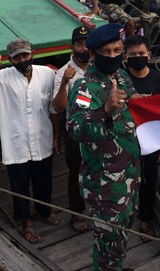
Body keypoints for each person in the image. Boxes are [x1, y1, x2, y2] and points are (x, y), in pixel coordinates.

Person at [0, 38, 60, 244]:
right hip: (16, 144)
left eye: (25, 55)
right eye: (17, 57)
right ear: (10, 60)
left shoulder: (47, 74)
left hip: (42, 139)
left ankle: (43, 211)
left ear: (32, 54)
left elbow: (53, 108)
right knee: (19, 186)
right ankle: (25, 221)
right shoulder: (1, 77)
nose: (22, 60)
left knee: (44, 181)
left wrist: (56, 136)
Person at [66, 24, 141, 271]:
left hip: (129, 173)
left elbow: (133, 105)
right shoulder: (84, 88)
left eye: (117, 50)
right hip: (105, 182)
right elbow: (75, 129)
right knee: (107, 241)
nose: (113, 56)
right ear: (93, 54)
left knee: (121, 234)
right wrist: (105, 110)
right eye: (106, 52)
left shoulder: (122, 76)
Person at [123, 35, 160, 241]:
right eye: (132, 54)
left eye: (141, 53)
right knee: (124, 181)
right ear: (125, 57)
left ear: (149, 54)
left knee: (149, 181)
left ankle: (145, 219)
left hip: (151, 141)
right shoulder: (121, 79)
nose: (137, 57)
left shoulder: (159, 80)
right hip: (125, 140)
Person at [52, 26, 93, 232]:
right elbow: (58, 108)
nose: (84, 48)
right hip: (75, 133)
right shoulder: (63, 73)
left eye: (87, 44)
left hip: (98, 130)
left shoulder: (98, 66)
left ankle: (99, 207)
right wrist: (65, 83)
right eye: (79, 44)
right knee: (76, 173)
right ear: (72, 47)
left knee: (100, 169)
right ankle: (77, 212)